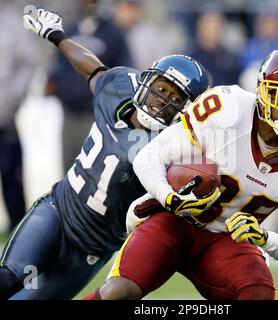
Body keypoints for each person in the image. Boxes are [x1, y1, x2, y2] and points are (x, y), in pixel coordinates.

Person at [83, 45, 278, 300]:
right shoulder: (228, 107)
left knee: (257, 294)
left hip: (228, 241)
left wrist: (264, 238)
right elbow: (149, 157)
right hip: (174, 221)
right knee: (119, 293)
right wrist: (169, 196)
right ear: (263, 92)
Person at [0, 6, 210, 300]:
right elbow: (93, 69)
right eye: (162, 88)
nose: (164, 100)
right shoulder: (119, 87)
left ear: (185, 110)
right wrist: (57, 36)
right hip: (56, 213)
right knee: (8, 279)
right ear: (147, 81)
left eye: (176, 98)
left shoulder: (173, 148)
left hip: (90, 250)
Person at [46, 0, 132, 173]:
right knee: (69, 170)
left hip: (96, 115)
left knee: (92, 171)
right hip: (69, 111)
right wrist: (55, 82)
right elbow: (59, 63)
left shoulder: (113, 33)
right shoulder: (71, 28)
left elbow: (123, 72)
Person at [0, 0, 39, 233]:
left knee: (11, 177)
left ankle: (18, 232)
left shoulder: (13, 21)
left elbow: (28, 65)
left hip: (4, 116)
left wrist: (9, 102)